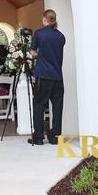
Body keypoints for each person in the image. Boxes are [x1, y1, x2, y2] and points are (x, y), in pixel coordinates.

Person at [29, 9, 65, 146]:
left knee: (39, 105)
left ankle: (38, 137)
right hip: (58, 76)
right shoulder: (61, 36)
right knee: (57, 107)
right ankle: (55, 136)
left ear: (45, 19)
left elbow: (33, 52)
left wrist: (39, 55)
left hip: (43, 75)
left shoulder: (39, 33)